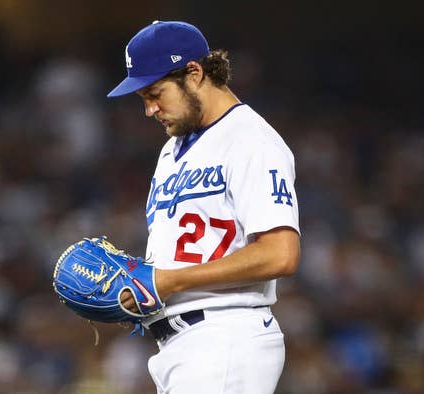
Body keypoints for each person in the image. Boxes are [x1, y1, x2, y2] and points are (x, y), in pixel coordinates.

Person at [108, 21, 301, 393]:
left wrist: (169, 281)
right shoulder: (172, 148)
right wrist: (140, 284)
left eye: (154, 93)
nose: (149, 109)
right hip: (182, 346)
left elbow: (281, 254)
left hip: (225, 336)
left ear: (194, 73)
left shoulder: (251, 141)